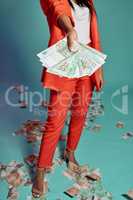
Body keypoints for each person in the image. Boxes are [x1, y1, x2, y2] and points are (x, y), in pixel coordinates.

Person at [32, 0, 104, 198]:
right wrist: (70, 31)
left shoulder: (87, 0)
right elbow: (58, 10)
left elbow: (93, 34)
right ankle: (40, 170)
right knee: (56, 119)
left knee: (80, 113)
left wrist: (98, 68)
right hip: (65, 62)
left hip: (87, 60)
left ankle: (70, 153)